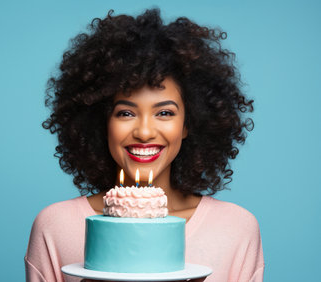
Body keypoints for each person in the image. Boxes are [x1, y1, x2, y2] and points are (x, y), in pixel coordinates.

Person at [25, 8, 264, 282]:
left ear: (189, 124)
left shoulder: (237, 229)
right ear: (102, 123)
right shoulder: (55, 226)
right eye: (126, 113)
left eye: (165, 113)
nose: (145, 132)